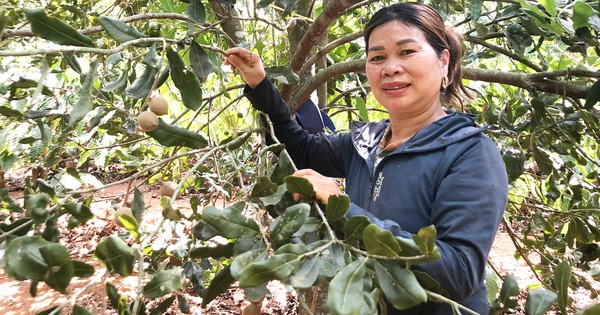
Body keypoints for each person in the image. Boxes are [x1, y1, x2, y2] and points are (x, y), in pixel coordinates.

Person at [224, 2, 508, 314]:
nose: (390, 67)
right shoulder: (366, 142)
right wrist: (261, 85)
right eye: (377, 57)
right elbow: (298, 149)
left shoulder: (470, 153)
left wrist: (344, 210)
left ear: (443, 61)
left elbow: (459, 273)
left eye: (407, 52)